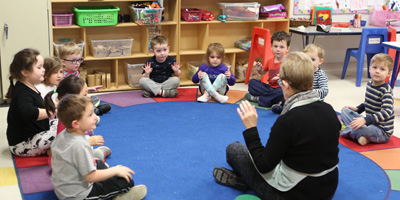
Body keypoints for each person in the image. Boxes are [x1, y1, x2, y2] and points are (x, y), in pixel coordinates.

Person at [213, 52, 340, 200]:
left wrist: (251, 129)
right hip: (328, 189)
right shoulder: (329, 110)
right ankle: (246, 180)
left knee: (234, 150)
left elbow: (263, 165)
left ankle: (246, 182)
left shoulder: (288, 120)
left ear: (285, 85)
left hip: (291, 195)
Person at [51, 94, 147, 200]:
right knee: (126, 181)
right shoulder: (80, 145)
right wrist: (115, 170)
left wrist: (89, 160)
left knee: (98, 163)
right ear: (76, 124)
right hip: (78, 195)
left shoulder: (63, 135)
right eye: (90, 115)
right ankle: (118, 197)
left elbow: (67, 158)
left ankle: (108, 180)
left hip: (63, 188)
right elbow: (90, 177)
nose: (95, 117)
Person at [43, 76, 111, 163]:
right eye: (85, 95)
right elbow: (66, 147)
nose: (89, 97)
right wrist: (88, 143)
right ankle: (95, 154)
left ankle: (93, 154)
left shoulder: (72, 115)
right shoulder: (67, 121)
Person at [6, 48, 58, 157]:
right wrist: (54, 111)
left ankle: (55, 150)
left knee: (65, 121)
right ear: (25, 72)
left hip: (36, 135)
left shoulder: (30, 87)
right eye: (39, 67)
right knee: (64, 129)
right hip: (22, 144)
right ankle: (60, 150)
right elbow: (29, 112)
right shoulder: (22, 92)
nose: (44, 70)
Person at [341, 53, 394, 146]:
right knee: (345, 111)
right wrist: (357, 109)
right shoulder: (370, 84)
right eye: (375, 67)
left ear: (388, 73)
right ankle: (362, 136)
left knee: (359, 128)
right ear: (369, 69)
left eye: (382, 69)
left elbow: (387, 112)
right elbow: (368, 103)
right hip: (369, 123)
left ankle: (349, 131)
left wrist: (365, 120)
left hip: (381, 131)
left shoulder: (386, 90)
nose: (377, 71)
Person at [271, 43, 329, 114]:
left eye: (313, 59)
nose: (310, 62)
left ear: (320, 61)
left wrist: (308, 92)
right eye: (307, 59)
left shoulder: (321, 75)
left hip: (313, 102)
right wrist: (282, 81)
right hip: (299, 100)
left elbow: (325, 90)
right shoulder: (301, 71)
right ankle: (284, 107)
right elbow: (290, 87)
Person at [58, 42, 111, 116]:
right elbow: (67, 94)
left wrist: (89, 89)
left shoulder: (75, 71)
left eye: (79, 60)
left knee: (95, 98)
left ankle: (89, 110)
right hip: (71, 101)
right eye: (73, 61)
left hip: (79, 97)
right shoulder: (62, 76)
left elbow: (78, 88)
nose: (77, 63)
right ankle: (95, 111)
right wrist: (83, 96)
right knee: (84, 102)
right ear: (63, 62)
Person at [244, 31, 290, 108]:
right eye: (275, 46)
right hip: (269, 88)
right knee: (252, 83)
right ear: (271, 47)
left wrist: (282, 78)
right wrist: (259, 70)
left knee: (281, 93)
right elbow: (263, 73)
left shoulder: (289, 62)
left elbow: (292, 78)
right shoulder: (270, 60)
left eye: (281, 47)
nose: (278, 49)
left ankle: (259, 99)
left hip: (281, 89)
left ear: (287, 49)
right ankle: (272, 100)